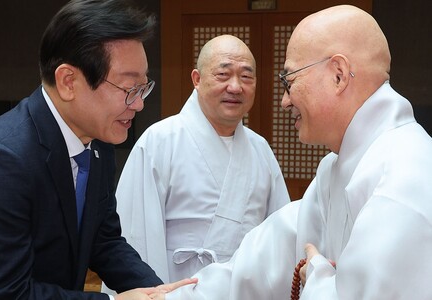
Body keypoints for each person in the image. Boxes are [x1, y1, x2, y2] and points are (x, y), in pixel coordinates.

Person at [152, 5, 432, 300]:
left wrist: (316, 275)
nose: (285, 100)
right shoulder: (335, 169)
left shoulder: (404, 176)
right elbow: (264, 259)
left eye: (290, 81)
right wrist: (176, 296)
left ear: (338, 75)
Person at [0, 0, 196, 299]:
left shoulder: (97, 143)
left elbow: (104, 241)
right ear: (68, 81)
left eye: (143, 87)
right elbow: (2, 293)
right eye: (128, 89)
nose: (139, 103)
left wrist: (157, 292)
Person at [112, 34, 290, 283]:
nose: (236, 87)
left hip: (244, 290)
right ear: (197, 79)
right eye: (223, 74)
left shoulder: (260, 150)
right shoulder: (160, 142)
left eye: (246, 76)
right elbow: (135, 235)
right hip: (176, 289)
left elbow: (280, 234)